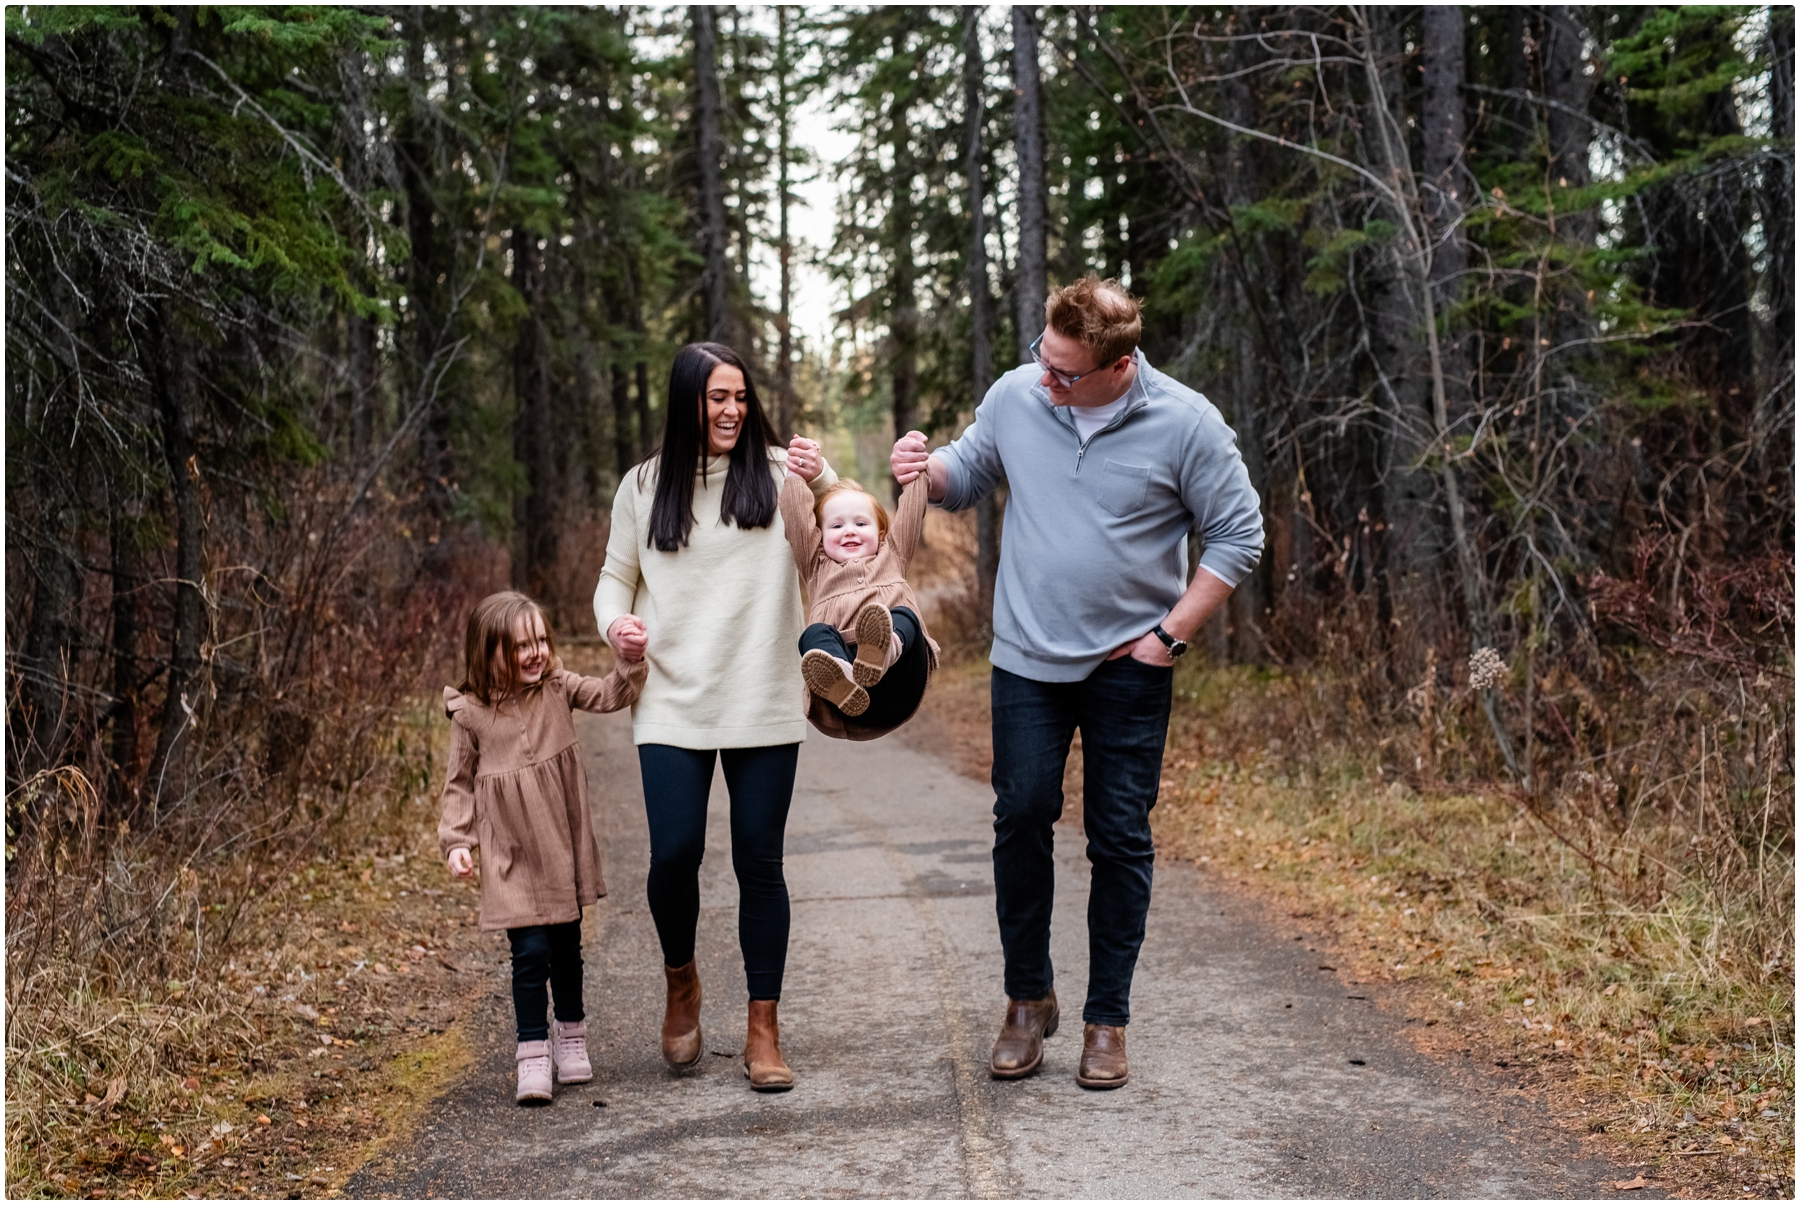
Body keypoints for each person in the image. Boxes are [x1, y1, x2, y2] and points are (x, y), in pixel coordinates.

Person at [890, 276, 1263, 1090]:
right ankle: (1028, 999)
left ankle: (1106, 1019)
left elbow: (1239, 534)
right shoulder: (1020, 394)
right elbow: (968, 470)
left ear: (1119, 365)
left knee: (1118, 834)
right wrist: (925, 468)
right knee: (1021, 813)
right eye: (1043, 358)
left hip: (1130, 666)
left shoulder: (1187, 422)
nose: (1046, 379)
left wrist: (1169, 636)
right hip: (1027, 655)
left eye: (1065, 372)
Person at [593, 341, 837, 1092]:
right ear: (686, 403)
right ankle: (682, 981)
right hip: (672, 698)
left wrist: (824, 476)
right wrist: (615, 626)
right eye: (716, 398)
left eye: (740, 396)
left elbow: (850, 526)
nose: (732, 410)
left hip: (763, 693)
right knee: (673, 855)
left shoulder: (780, 473)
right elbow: (614, 580)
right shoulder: (642, 486)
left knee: (759, 860)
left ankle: (764, 1027)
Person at [437, 590, 647, 1105]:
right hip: (509, 853)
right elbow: (458, 783)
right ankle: (531, 1051)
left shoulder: (557, 688)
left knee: (566, 948)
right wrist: (457, 841)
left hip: (559, 845)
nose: (535, 653)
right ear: (488, 653)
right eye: (520, 646)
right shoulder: (469, 714)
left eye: (540, 641)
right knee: (529, 953)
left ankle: (570, 1035)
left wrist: (629, 660)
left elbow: (608, 694)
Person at [779, 440, 937, 739]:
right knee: (812, 635)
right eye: (836, 526)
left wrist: (915, 466)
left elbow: (913, 508)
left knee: (905, 616)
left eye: (861, 523)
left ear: (881, 533)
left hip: (899, 680)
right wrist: (796, 476)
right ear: (820, 536)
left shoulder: (893, 554)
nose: (849, 530)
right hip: (854, 701)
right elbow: (796, 519)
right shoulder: (817, 566)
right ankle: (843, 674)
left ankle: (884, 649)